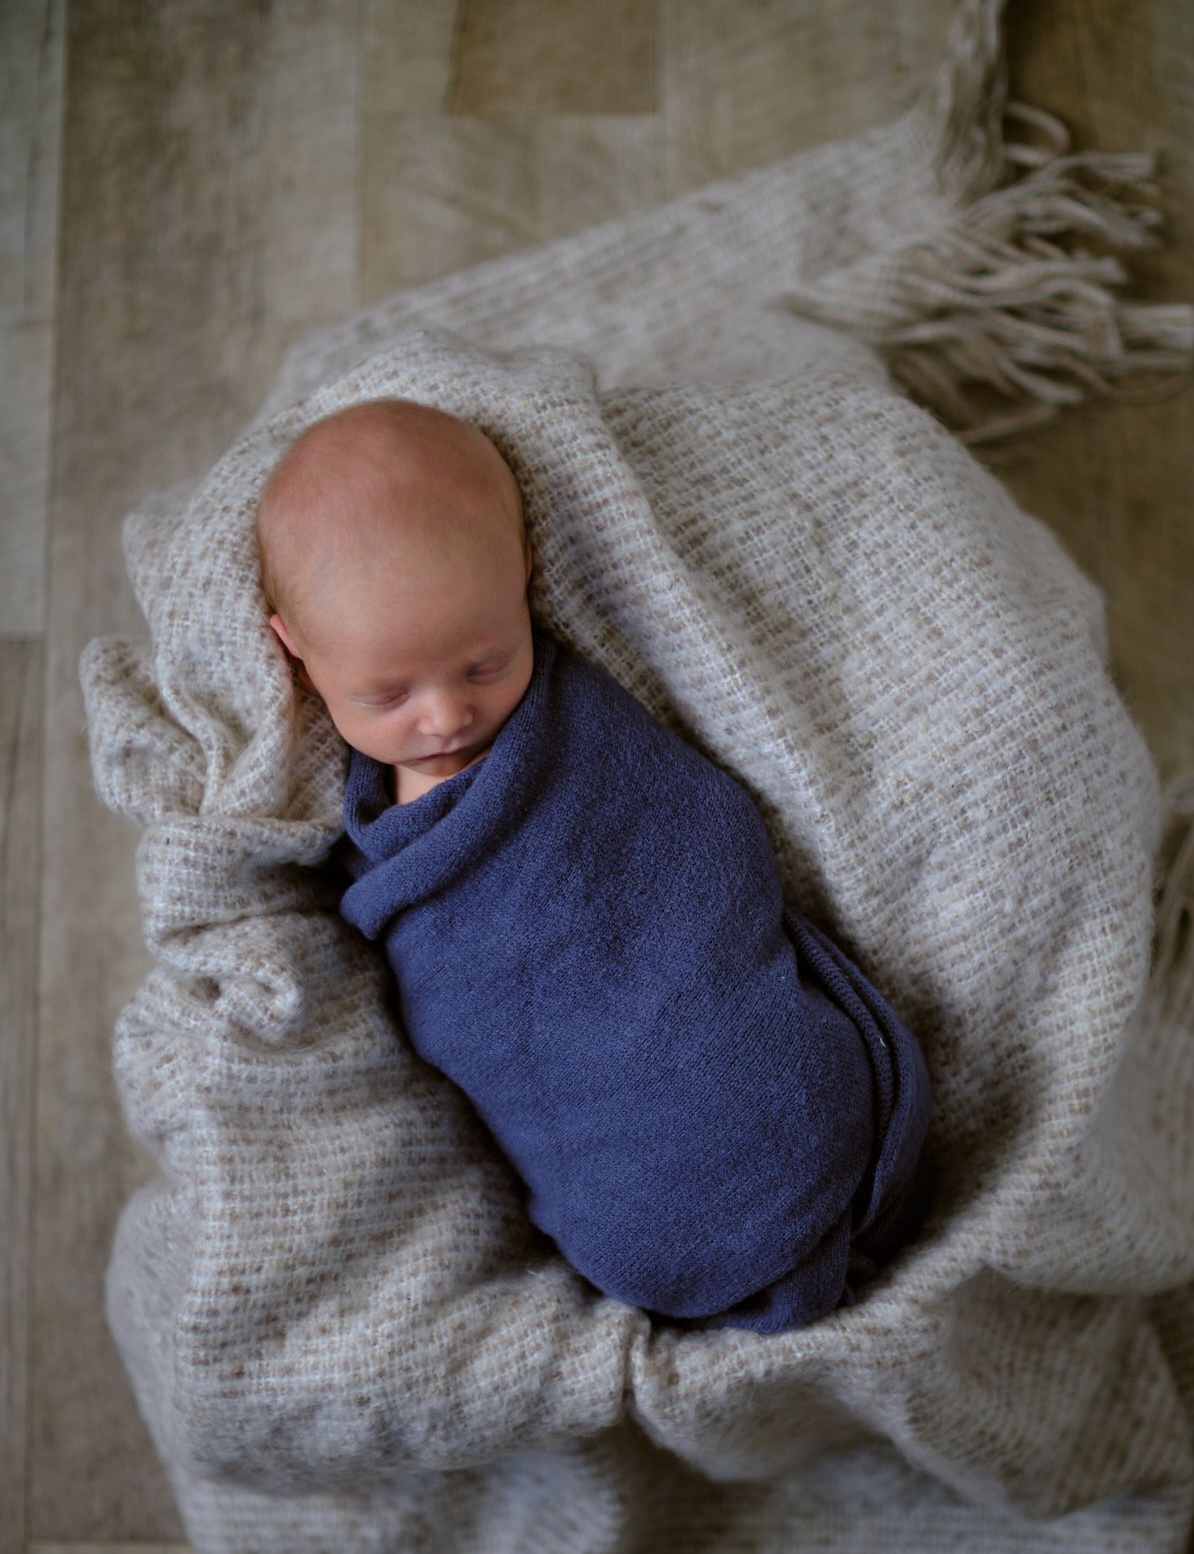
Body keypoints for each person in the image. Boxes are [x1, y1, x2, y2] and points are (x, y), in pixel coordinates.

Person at [258, 396, 932, 1333]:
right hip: (626, 1195)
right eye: (387, 694)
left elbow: (700, 833)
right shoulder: (366, 823)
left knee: (759, 1082)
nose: (445, 716)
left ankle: (794, 1171)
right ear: (296, 654)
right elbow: (471, 1014)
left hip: (745, 1074)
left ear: (523, 578)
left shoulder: (576, 725)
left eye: (483, 664)